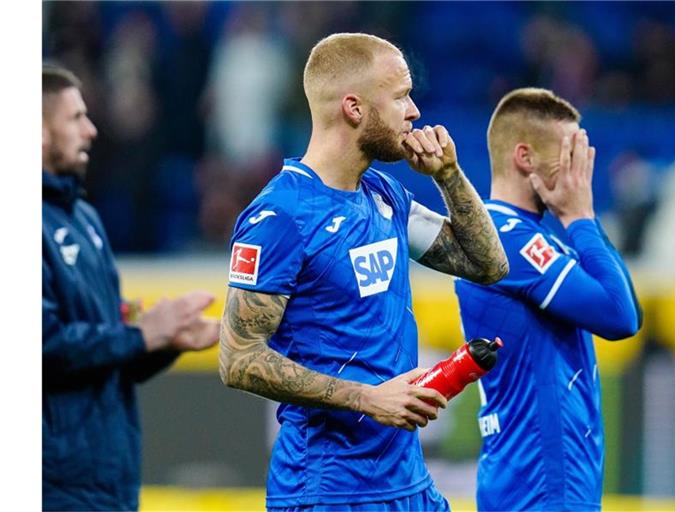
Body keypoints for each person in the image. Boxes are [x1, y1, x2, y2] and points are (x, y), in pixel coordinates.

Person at [218, 33, 508, 511]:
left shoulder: (383, 194)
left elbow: (488, 265)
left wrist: (448, 175)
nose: (414, 111)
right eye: (400, 97)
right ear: (353, 108)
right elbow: (237, 358)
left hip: (407, 482)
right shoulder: (281, 216)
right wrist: (366, 398)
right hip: (327, 488)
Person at [454, 88, 642, 512]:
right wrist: (581, 218)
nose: (579, 172)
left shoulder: (533, 237)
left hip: (542, 485)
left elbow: (626, 305)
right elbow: (619, 317)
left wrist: (579, 223)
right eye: (569, 155)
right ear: (525, 158)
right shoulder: (507, 239)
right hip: (539, 486)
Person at [42, 64, 220, 511]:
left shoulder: (83, 217)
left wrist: (163, 341)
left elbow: (105, 355)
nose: (91, 130)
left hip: (109, 481)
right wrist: (143, 333)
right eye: (75, 118)